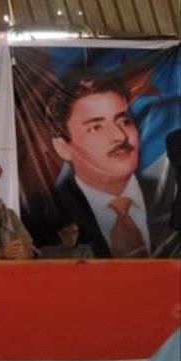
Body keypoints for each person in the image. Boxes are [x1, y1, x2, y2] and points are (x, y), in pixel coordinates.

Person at [46, 72, 179, 257]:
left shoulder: (169, 196)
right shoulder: (48, 214)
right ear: (62, 147)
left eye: (124, 121)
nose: (120, 136)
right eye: (96, 127)